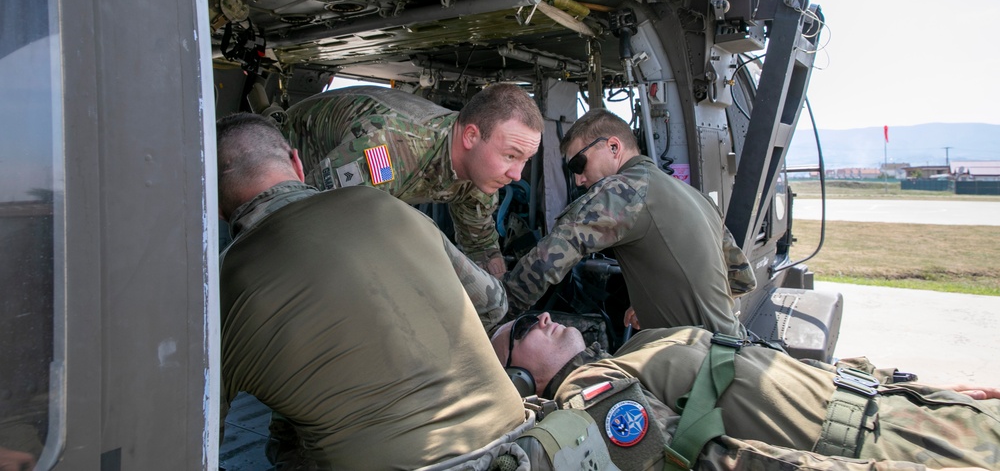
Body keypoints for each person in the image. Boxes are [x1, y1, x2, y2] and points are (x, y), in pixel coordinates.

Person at [217, 113, 526, 469]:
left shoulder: (222, 284)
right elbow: (494, 303)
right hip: (514, 445)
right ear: (296, 163)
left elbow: (193, 435)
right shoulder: (386, 205)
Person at [492, 313, 1000, 471]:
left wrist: (916, 388)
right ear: (520, 379)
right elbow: (719, 463)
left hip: (913, 411)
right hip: (898, 453)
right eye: (523, 331)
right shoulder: (589, 392)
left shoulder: (636, 347)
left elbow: (769, 363)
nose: (545, 317)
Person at [503, 109, 753, 337]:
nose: (579, 179)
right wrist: (656, 301)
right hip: (732, 348)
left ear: (613, 146)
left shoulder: (623, 190)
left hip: (692, 362)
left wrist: (494, 315)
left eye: (579, 164)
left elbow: (547, 260)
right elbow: (741, 279)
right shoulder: (695, 197)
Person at [283, 83, 544, 276]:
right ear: (471, 136)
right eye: (511, 155)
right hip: (285, 149)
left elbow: (481, 248)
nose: (517, 175)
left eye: (526, 160)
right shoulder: (390, 151)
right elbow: (305, 222)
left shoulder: (483, 174)